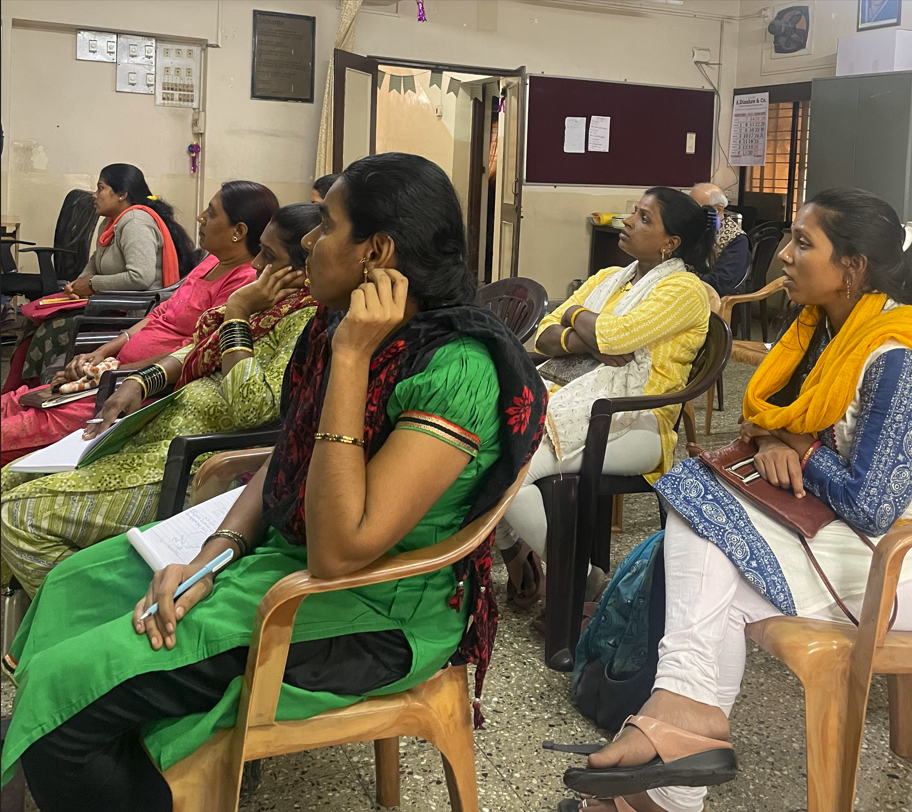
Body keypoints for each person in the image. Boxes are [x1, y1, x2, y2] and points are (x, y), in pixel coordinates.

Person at [0, 152, 548, 812]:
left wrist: (351, 362)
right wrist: (211, 555)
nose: (309, 242)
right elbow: (291, 460)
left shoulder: (455, 370)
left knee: (69, 700)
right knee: (69, 588)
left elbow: (342, 551)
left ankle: (74, 750)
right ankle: (86, 750)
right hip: (285, 557)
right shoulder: (336, 320)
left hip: (370, 612)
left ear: (376, 251)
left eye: (328, 226)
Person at [560, 189, 912, 812]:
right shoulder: (815, 334)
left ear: (852, 268)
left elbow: (874, 502)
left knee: (700, 510)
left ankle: (676, 744)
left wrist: (800, 449)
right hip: (827, 539)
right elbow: (768, 422)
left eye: (804, 243)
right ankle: (676, 761)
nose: (782, 256)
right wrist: (779, 435)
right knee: (707, 556)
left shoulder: (893, 356)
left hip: (888, 566)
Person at [1, 204, 322, 597]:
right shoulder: (270, 304)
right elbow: (196, 349)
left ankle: (97, 615)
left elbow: (251, 407)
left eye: (269, 257)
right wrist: (141, 380)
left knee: (17, 516)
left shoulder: (303, 320)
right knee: (10, 477)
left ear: (304, 270)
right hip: (157, 432)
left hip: (196, 465)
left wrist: (237, 314)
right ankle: (42, 616)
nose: (256, 264)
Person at [495, 188, 713, 606]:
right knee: (490, 445)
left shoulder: (684, 290)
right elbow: (544, 332)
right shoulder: (609, 279)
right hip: (575, 400)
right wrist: (587, 339)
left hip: (636, 421)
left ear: (671, 243)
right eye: (635, 212)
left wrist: (576, 319)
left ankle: (577, 579)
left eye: (645, 218)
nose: (628, 221)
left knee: (509, 473)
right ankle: (522, 551)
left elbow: (612, 334)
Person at [0, 181, 279, 465]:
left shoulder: (243, 282)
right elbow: (159, 314)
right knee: (15, 401)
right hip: (112, 373)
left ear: (238, 232)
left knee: (21, 428)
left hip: (136, 388)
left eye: (211, 212)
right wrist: (103, 353)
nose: (201, 218)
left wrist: (109, 372)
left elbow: (195, 350)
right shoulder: (211, 263)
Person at [7, 164, 197, 391]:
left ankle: (41, 389)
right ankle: (19, 390)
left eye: (101, 188)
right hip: (107, 301)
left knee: (52, 328)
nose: (94, 195)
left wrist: (92, 284)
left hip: (132, 310)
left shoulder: (136, 223)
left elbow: (141, 277)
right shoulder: (112, 223)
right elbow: (96, 262)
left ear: (122, 194)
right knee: (34, 319)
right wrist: (77, 284)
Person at [688, 183, 750, 297]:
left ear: (719, 209)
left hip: (705, 297)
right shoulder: (692, 229)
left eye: (698, 209)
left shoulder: (737, 239)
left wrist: (686, 285)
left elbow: (723, 281)